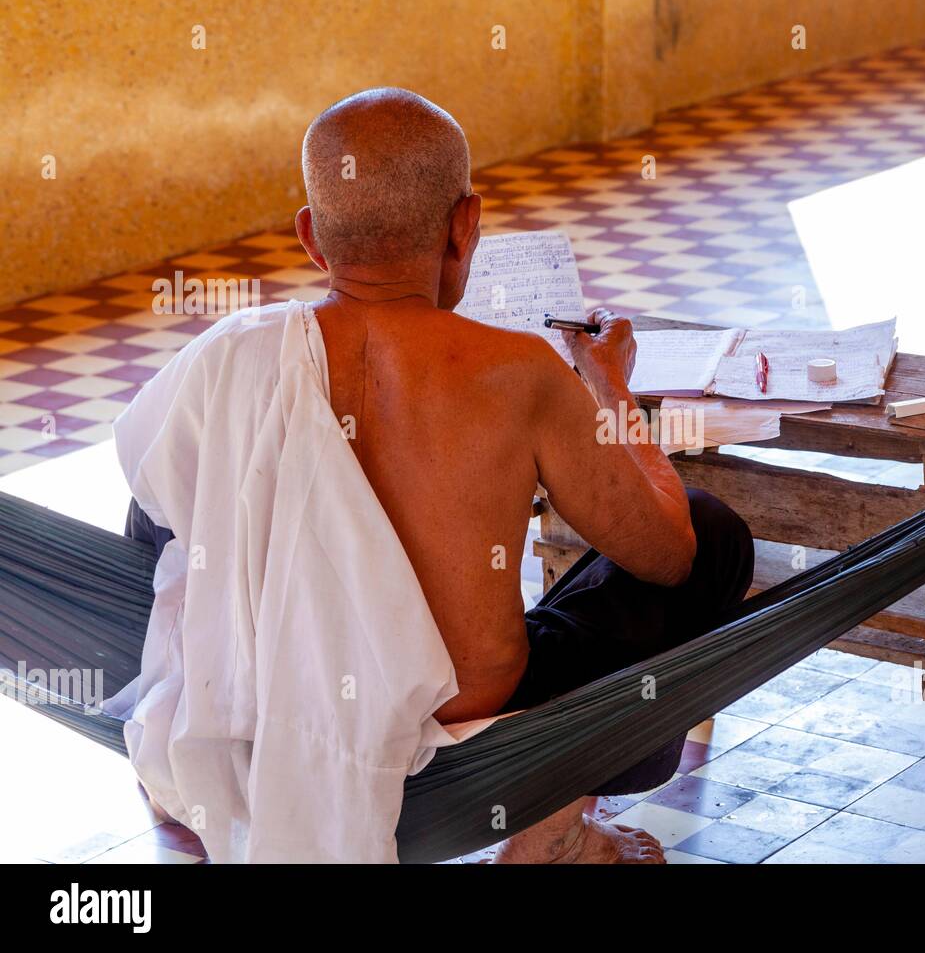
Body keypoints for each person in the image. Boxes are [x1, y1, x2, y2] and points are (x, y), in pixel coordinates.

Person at [125, 87, 753, 863]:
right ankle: (552, 827)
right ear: (465, 225)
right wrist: (610, 386)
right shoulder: (518, 372)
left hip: (274, 711)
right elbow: (669, 554)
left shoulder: (228, 362)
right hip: (477, 741)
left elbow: (161, 520)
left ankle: (184, 769)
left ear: (312, 237)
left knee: (169, 500)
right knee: (712, 533)